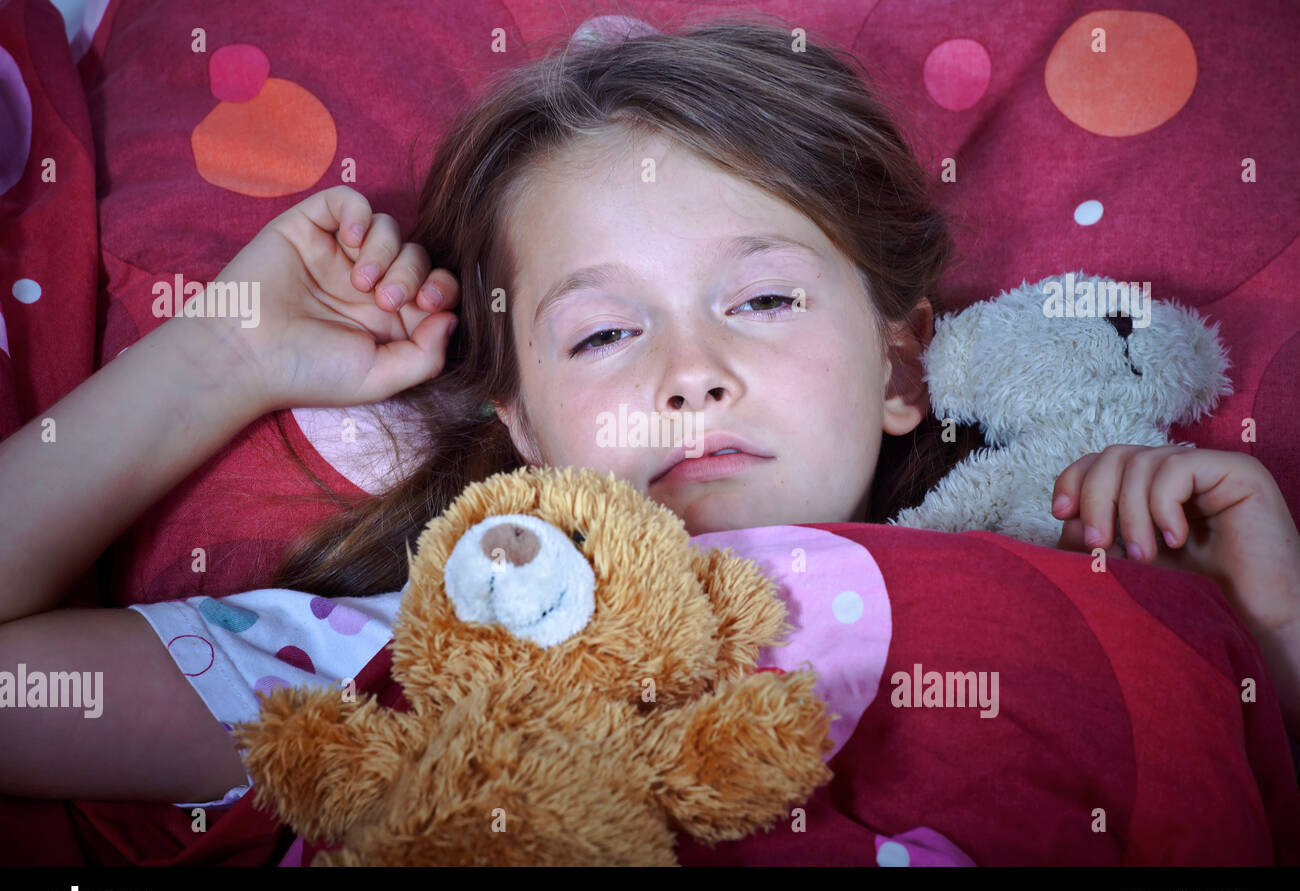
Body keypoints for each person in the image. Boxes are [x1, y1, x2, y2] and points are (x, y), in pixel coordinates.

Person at [1, 17, 1296, 812]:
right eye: (606, 331)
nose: (691, 371)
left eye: (767, 300)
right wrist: (219, 361)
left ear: (906, 360)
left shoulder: (1063, 569)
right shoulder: (440, 652)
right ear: (521, 423)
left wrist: (1250, 645)